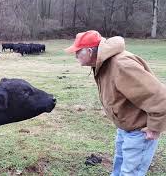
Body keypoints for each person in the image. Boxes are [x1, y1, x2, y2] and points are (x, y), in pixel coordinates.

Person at [64, 30, 166, 176]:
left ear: (90, 51)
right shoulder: (102, 63)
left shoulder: (121, 65)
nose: (75, 55)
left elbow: (159, 96)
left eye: (78, 52)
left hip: (140, 132)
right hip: (125, 128)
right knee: (119, 169)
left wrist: (155, 127)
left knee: (130, 173)